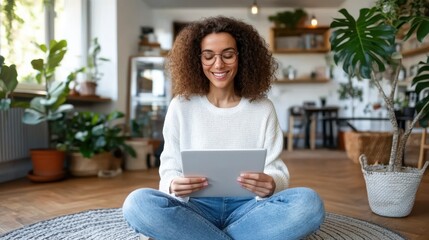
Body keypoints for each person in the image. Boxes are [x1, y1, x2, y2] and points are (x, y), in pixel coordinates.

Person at [122, 16, 325, 240]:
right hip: (195, 208)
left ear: (242, 58)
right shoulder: (181, 106)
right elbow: (169, 168)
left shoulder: (263, 108)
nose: (218, 65)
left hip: (250, 209)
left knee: (309, 204)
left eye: (228, 55)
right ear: (197, 60)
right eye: (209, 56)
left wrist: (272, 182)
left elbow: (276, 170)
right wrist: (172, 185)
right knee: (137, 204)